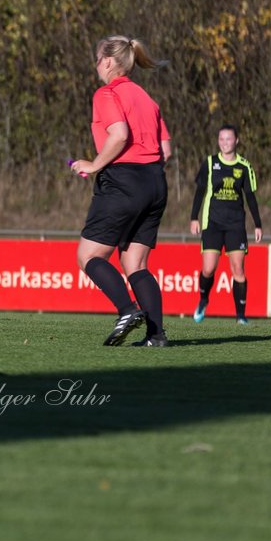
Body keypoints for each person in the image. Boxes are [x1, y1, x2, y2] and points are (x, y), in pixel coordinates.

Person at [70, 36, 173, 347]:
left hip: (124, 180)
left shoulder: (106, 93)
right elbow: (166, 150)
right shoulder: (147, 98)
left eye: (97, 59)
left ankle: (127, 311)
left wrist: (95, 165)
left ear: (108, 62)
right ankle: (156, 336)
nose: (96, 65)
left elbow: (119, 134)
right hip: (155, 182)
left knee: (88, 255)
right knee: (135, 265)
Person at [189, 125, 263, 325]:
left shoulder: (244, 166)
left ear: (236, 141)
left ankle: (240, 316)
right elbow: (200, 191)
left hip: (236, 224)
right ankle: (203, 300)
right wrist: (194, 217)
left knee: (238, 269)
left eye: (228, 139)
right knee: (208, 269)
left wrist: (258, 224)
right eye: (221, 139)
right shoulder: (210, 163)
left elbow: (250, 196)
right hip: (212, 222)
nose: (224, 142)